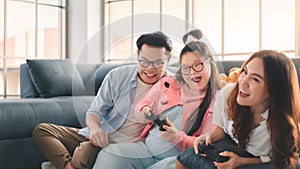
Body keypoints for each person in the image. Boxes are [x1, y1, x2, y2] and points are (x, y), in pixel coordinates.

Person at [32, 31, 173, 169]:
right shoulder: (117, 76)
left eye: (157, 63)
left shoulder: (174, 86)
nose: (150, 68)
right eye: (145, 61)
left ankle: (56, 165)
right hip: (97, 135)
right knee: (42, 130)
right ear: (137, 55)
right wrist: (94, 129)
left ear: (168, 59)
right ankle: (67, 166)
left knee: (85, 152)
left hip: (120, 148)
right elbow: (94, 112)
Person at [92, 38, 221, 169]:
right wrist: (144, 112)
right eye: (186, 68)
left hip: (174, 159)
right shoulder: (167, 84)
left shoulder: (217, 101)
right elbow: (141, 107)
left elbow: (205, 143)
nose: (192, 72)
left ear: (209, 62)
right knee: (111, 154)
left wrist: (177, 138)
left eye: (198, 65)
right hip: (145, 150)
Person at [176, 50, 300, 169]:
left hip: (267, 159)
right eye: (245, 72)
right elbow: (221, 128)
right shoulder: (227, 94)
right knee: (184, 158)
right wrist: (209, 136)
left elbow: (282, 158)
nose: (243, 82)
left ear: (275, 90)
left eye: (255, 79)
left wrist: (241, 162)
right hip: (236, 145)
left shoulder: (284, 125)